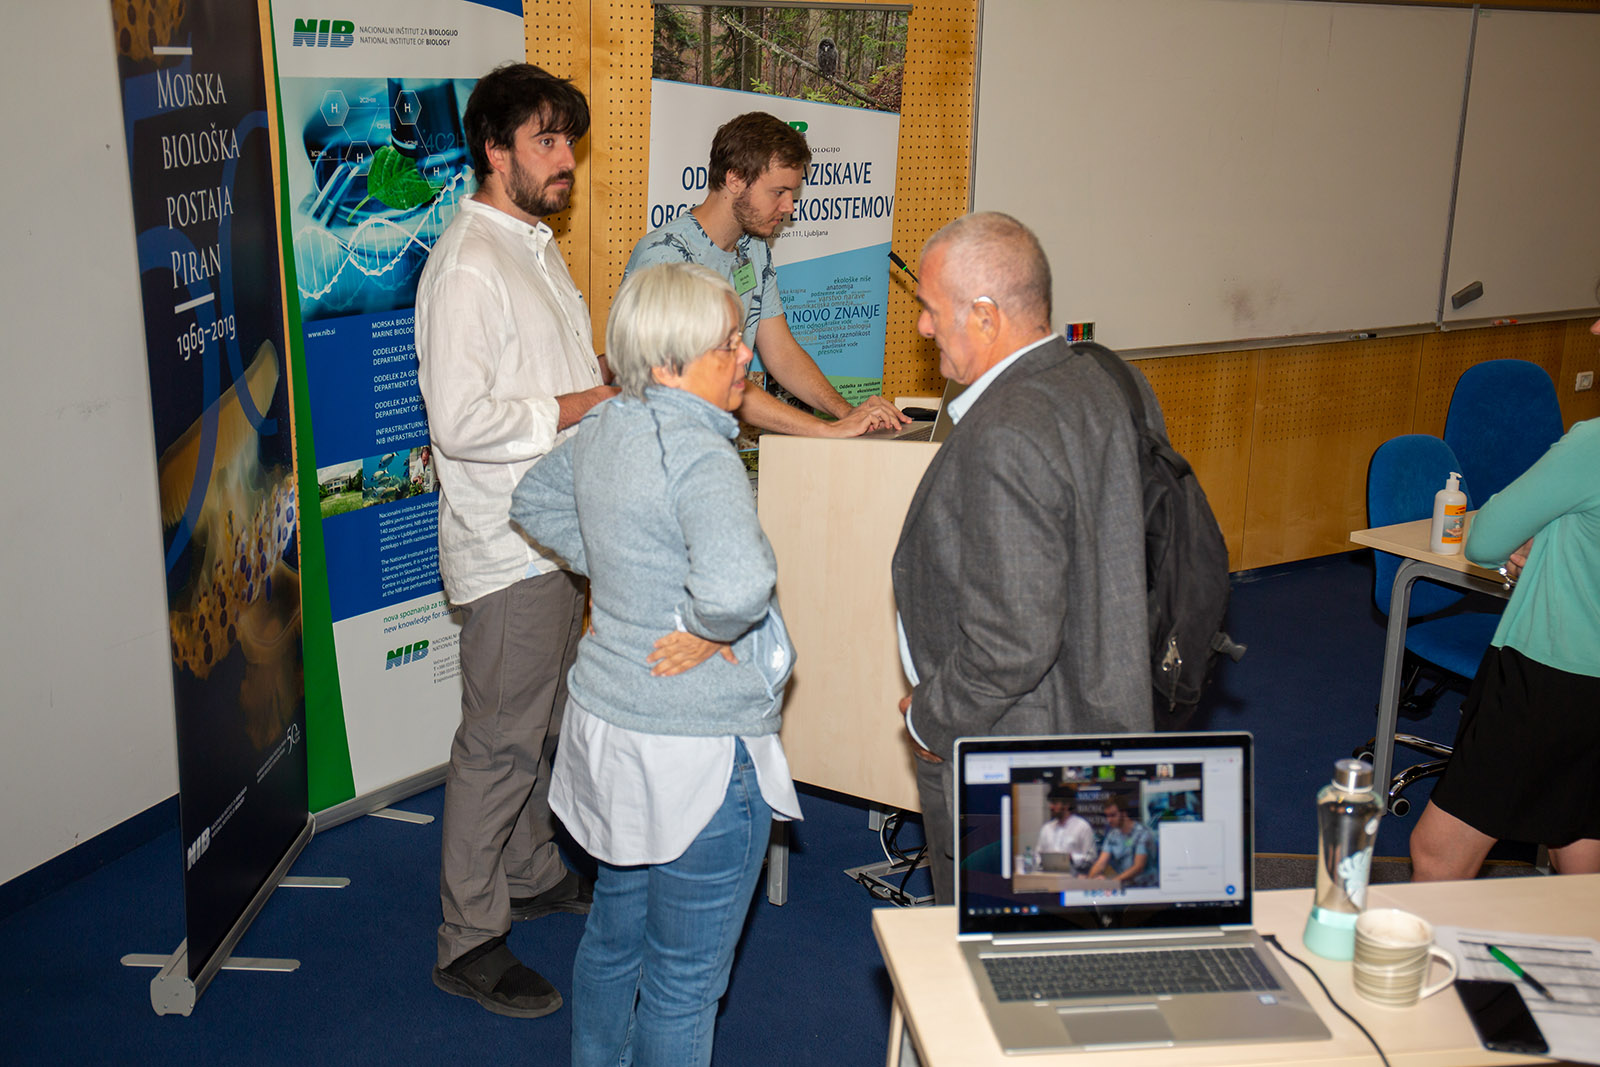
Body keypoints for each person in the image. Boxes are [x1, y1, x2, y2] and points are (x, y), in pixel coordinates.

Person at [509, 262, 803, 1066]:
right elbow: (740, 586)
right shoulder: (701, 454)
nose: (746, 355)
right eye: (728, 343)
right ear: (670, 363)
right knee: (682, 984)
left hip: (608, 729)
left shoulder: (608, 424)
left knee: (613, 937)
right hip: (696, 750)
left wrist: (625, 573)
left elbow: (533, 500)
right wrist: (706, 621)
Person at [415, 63, 617, 1018]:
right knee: (498, 744)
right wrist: (589, 399)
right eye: (546, 140)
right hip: (509, 551)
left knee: (537, 726)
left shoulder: (530, 246)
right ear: (495, 152)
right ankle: (467, 937)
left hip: (555, 540)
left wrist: (608, 372)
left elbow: (545, 379)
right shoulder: (467, 265)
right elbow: (460, 423)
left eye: (568, 139)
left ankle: (530, 871)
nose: (565, 157)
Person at [890, 212, 1159, 905]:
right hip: (1097, 720)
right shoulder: (1102, 381)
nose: (923, 326)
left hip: (1019, 754)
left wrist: (931, 718)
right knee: (1068, 939)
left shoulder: (1007, 430)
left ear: (984, 316)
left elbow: (1011, 643)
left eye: (931, 308)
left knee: (995, 951)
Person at [1410, 318, 1600, 881]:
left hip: (1551, 674)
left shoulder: (1592, 445)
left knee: (1437, 853)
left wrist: (1534, 542)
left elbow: (1487, 540)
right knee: (1580, 838)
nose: (1594, 327)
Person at [626, 111, 908, 437]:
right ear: (734, 179)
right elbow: (713, 381)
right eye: (778, 192)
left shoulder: (753, 248)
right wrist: (824, 429)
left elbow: (781, 353)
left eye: (792, 193)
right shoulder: (664, 259)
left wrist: (847, 413)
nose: (789, 207)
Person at [1088, 796, 1158, 888]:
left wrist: (1112, 883)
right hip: (1125, 887)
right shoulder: (1112, 835)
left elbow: (1138, 867)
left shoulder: (1142, 833)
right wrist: (1089, 882)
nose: (1109, 820)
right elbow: (1101, 863)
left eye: (1113, 815)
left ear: (1124, 813)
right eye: (1107, 816)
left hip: (1147, 888)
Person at [1035, 785, 1096, 871]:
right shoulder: (1046, 829)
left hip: (1074, 875)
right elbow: (1037, 855)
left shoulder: (1082, 827)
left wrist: (1071, 858)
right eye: (1051, 803)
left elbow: (1091, 857)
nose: (1051, 807)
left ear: (1066, 805)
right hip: (1048, 875)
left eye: (1055, 803)